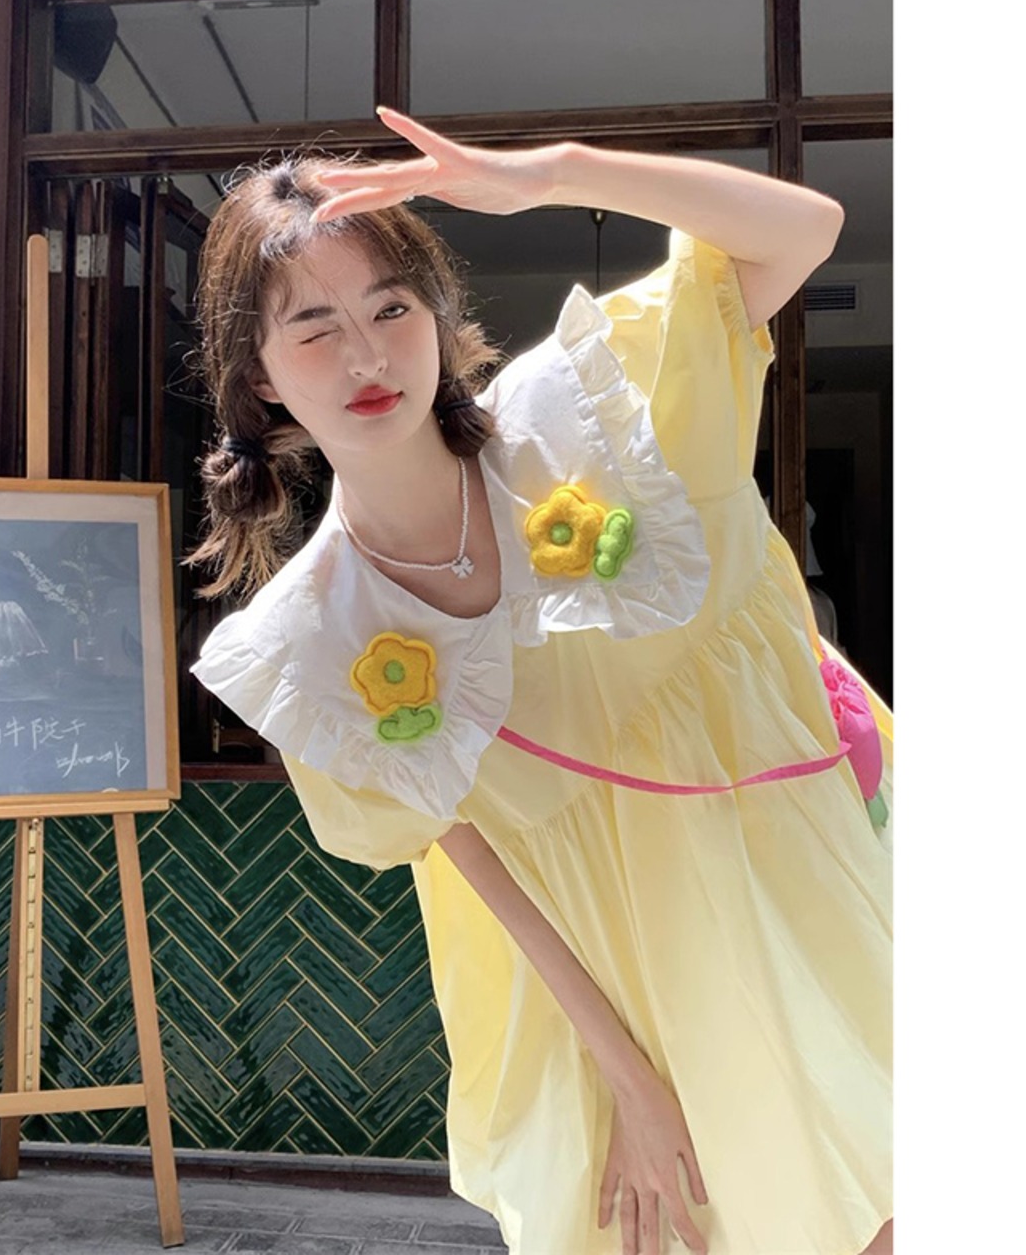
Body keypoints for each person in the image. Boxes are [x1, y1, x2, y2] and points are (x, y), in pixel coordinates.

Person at [189, 107, 893, 1255]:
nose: (366, 356)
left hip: (791, 868)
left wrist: (555, 174)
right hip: (604, 968)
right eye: (313, 326)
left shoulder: (580, 413)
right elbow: (474, 862)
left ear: (435, 316)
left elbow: (799, 230)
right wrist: (628, 1080)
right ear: (257, 378)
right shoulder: (310, 640)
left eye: (390, 308)